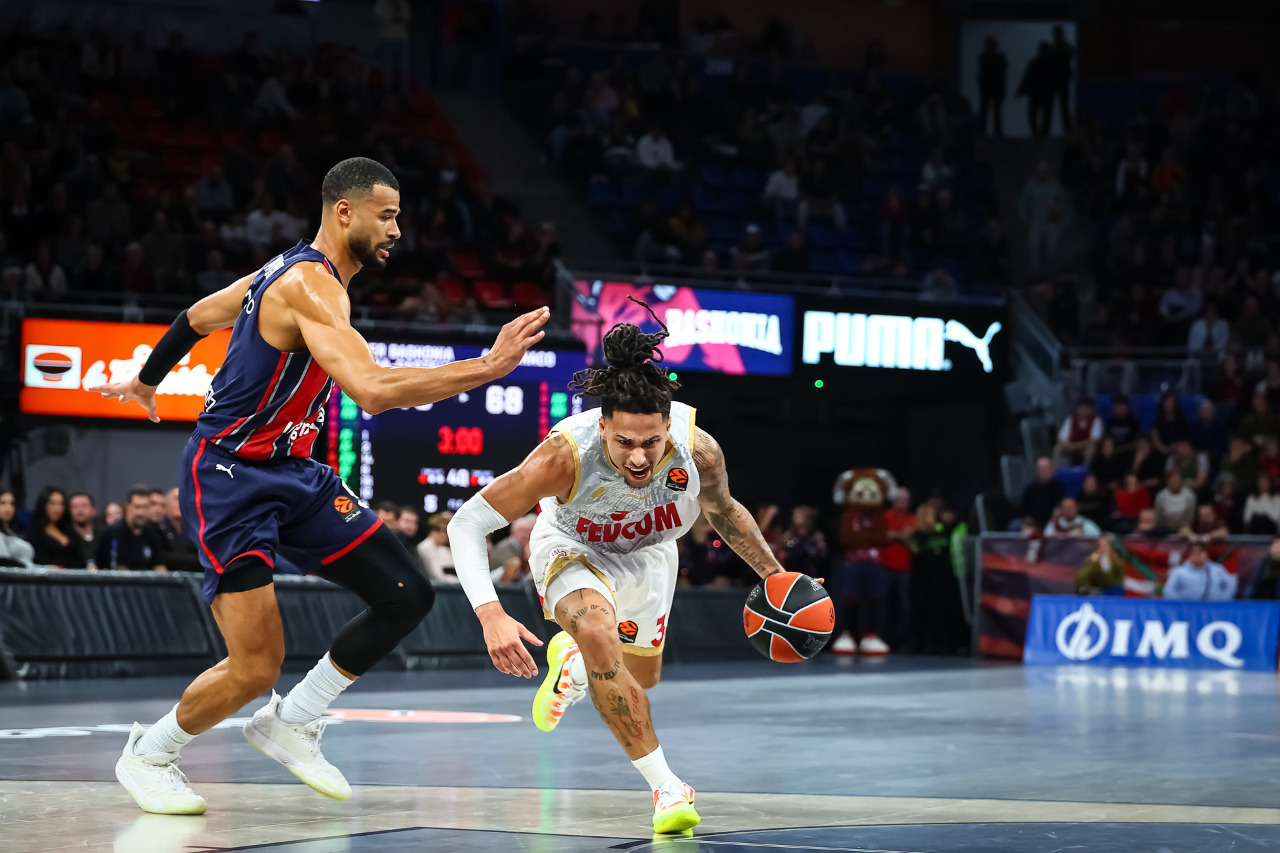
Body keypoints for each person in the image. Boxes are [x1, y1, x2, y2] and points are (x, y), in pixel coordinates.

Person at [89, 157, 550, 816]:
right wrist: (489, 365)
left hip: (293, 471)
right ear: (344, 211)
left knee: (407, 592)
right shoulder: (309, 285)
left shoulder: (284, 271)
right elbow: (374, 390)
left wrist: (147, 379)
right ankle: (150, 753)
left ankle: (294, 720)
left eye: (398, 217)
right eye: (386, 216)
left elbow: (197, 316)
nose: (397, 230)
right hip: (229, 477)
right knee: (255, 666)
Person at [446, 305, 792, 834]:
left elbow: (723, 510)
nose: (638, 458)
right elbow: (466, 524)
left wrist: (775, 575)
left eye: (651, 442)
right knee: (595, 631)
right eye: (624, 442)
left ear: (668, 426)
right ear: (602, 425)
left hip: (651, 554)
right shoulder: (562, 457)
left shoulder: (699, 452)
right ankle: (668, 789)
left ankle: (573, 665)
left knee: (640, 677)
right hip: (573, 546)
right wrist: (490, 613)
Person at [96, 488, 169, 572]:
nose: (141, 512)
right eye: (137, 507)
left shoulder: (152, 534)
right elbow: (116, 568)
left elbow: (159, 564)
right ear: (127, 506)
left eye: (145, 507)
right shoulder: (113, 533)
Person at [25, 486, 84, 568]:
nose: (57, 508)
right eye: (52, 503)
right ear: (43, 505)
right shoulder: (34, 532)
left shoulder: (69, 530)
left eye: (61, 504)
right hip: (48, 575)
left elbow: (80, 559)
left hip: (75, 574)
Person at [1163, 542, 1236, 601]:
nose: (1197, 556)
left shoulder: (1217, 569)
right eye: (1194, 553)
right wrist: (1181, 604)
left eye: (1200, 553)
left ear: (1206, 554)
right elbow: (1168, 591)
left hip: (1215, 608)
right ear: (1189, 555)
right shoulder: (1178, 572)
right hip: (1186, 609)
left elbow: (1231, 585)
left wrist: (1222, 601)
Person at [158, 487, 200, 573]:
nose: (180, 503)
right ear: (166, 504)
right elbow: (161, 557)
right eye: (177, 499)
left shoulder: (194, 529)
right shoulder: (158, 528)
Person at [1053, 397, 1102, 466]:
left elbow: (1095, 440)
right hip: (1070, 447)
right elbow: (1061, 437)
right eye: (1080, 408)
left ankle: (1086, 471)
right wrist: (1067, 445)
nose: (1082, 411)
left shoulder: (1096, 420)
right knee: (1057, 449)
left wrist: (1075, 446)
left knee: (1091, 450)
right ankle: (1057, 471)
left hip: (1085, 448)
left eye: (1085, 408)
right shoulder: (1071, 420)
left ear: (1091, 410)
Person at [1018, 456, 1065, 527]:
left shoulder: (1059, 487)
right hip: (1033, 522)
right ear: (1036, 471)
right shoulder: (1030, 488)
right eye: (1041, 468)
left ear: (1052, 470)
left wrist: (1055, 518)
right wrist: (1027, 520)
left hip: (1053, 521)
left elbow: (1060, 507)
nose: (1043, 471)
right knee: (1015, 525)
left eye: (1046, 468)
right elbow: (1023, 509)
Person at [490, 514, 537, 582]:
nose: (524, 535)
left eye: (527, 531)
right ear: (513, 532)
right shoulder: (503, 548)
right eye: (520, 531)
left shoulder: (525, 546)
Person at [977, 36, 1007, 137]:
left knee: (992, 110)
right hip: (990, 88)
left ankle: (991, 131)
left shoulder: (987, 58)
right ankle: (989, 131)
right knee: (989, 110)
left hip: (993, 88)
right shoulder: (989, 58)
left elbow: (1002, 75)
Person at [0, 490, 37, 568]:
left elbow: (29, 565)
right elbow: (4, 563)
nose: (8, 507)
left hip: (28, 573)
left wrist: (47, 568)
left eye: (12, 504)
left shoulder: (11, 532)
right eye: (3, 503)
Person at [416, 511, 456, 582]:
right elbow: (436, 575)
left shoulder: (444, 549)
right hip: (438, 586)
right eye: (446, 531)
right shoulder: (425, 547)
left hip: (450, 585)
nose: (447, 535)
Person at [69, 491, 101, 569]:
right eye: (75, 506)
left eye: (84, 506)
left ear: (93, 509)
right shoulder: (65, 537)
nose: (79, 510)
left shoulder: (103, 535)